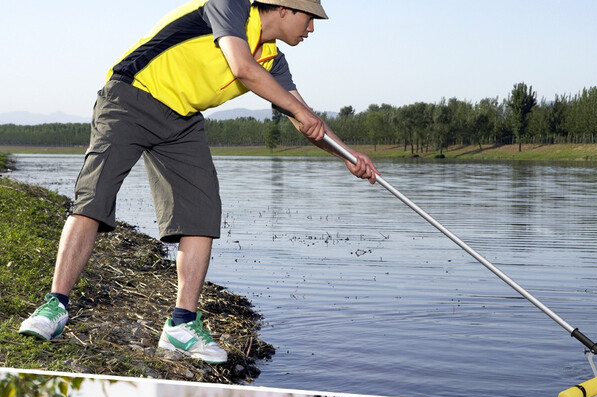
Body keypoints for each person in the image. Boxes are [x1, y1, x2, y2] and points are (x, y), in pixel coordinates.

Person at [19, 0, 377, 364]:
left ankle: (181, 326)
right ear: (284, 8)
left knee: (202, 212)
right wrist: (300, 111)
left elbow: (307, 121)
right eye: (310, 18)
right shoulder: (230, 5)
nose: (311, 29)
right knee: (93, 198)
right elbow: (242, 67)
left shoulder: (274, 61)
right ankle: (54, 307)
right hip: (130, 96)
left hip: (182, 119)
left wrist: (350, 157)